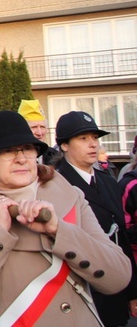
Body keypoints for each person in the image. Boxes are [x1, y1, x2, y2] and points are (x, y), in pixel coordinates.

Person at [0, 110, 132, 325]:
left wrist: (58, 230)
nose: (21, 158)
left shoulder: (71, 197)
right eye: (8, 151)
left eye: (28, 149)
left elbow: (118, 277)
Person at [55, 111, 137, 326]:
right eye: (83, 139)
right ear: (64, 145)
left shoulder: (108, 182)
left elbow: (121, 238)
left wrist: (132, 290)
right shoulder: (56, 184)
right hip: (80, 287)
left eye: (95, 138)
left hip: (113, 283)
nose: (93, 145)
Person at [18, 99, 59, 165]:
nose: (39, 133)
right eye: (34, 127)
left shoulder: (56, 156)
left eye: (42, 127)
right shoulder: (14, 158)